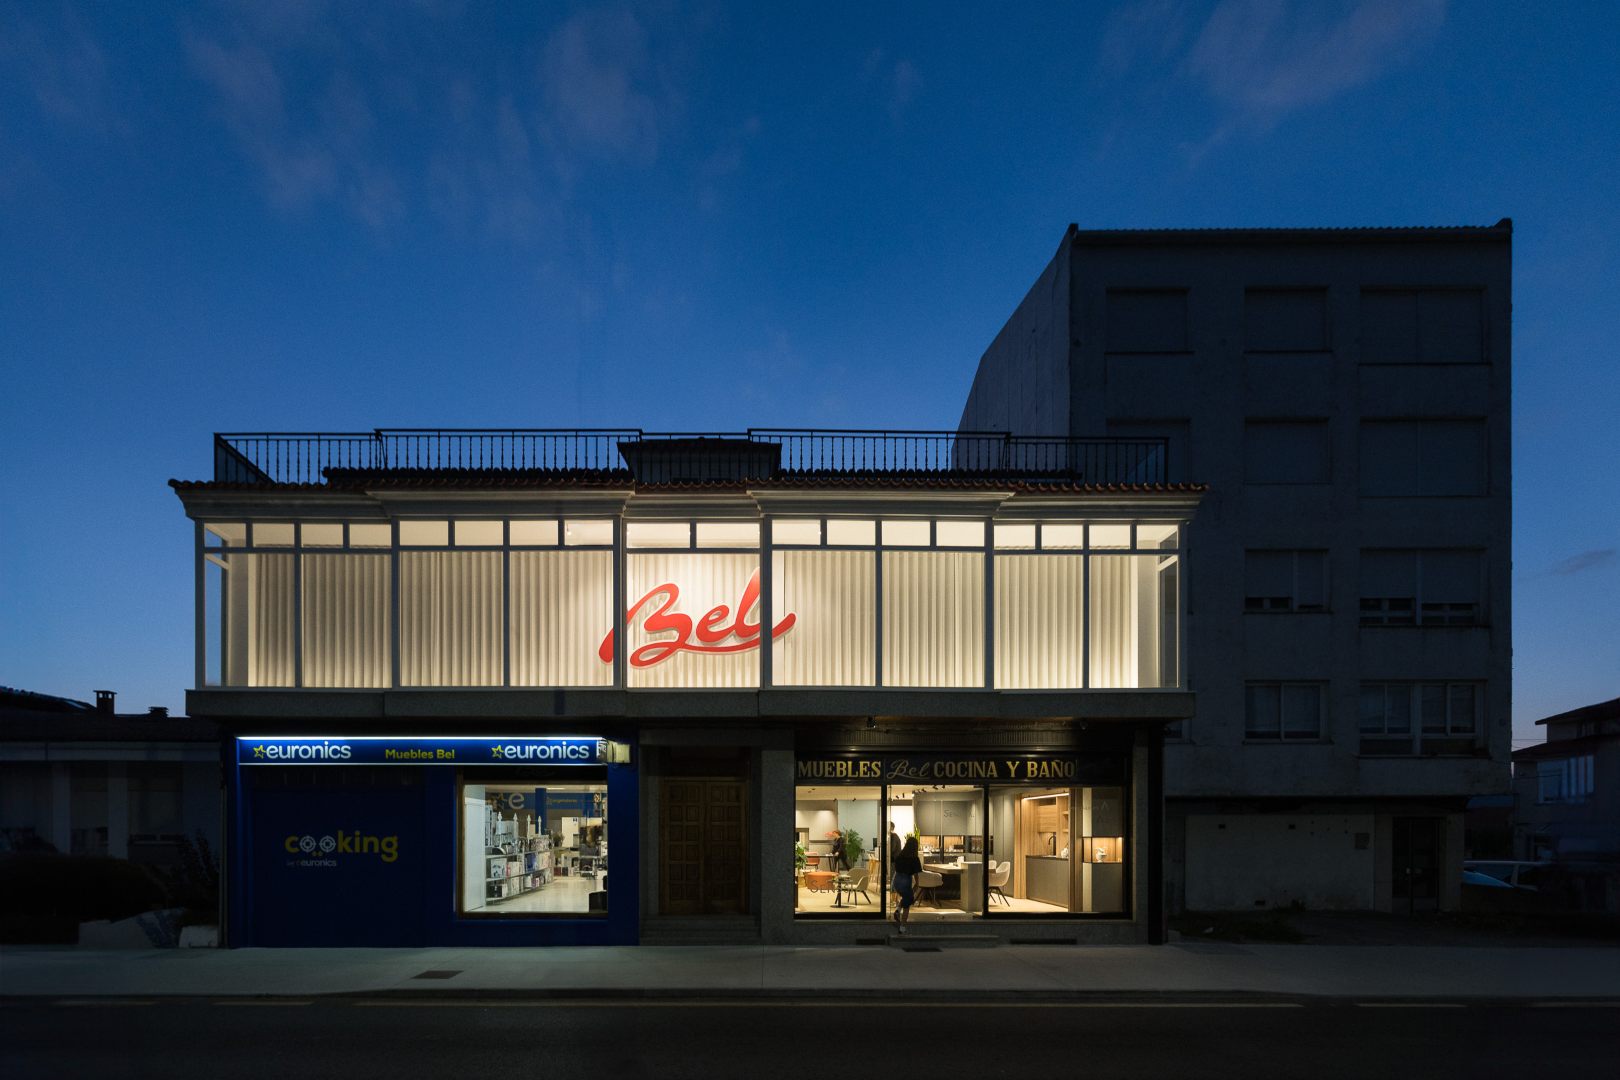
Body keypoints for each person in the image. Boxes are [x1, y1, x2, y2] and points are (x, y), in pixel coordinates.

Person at [891, 835, 922, 935]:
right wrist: (917, 883)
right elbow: (916, 873)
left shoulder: (900, 855)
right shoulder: (914, 858)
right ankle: (902, 927)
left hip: (896, 880)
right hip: (905, 880)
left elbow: (896, 868)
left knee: (906, 899)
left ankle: (897, 910)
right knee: (907, 904)